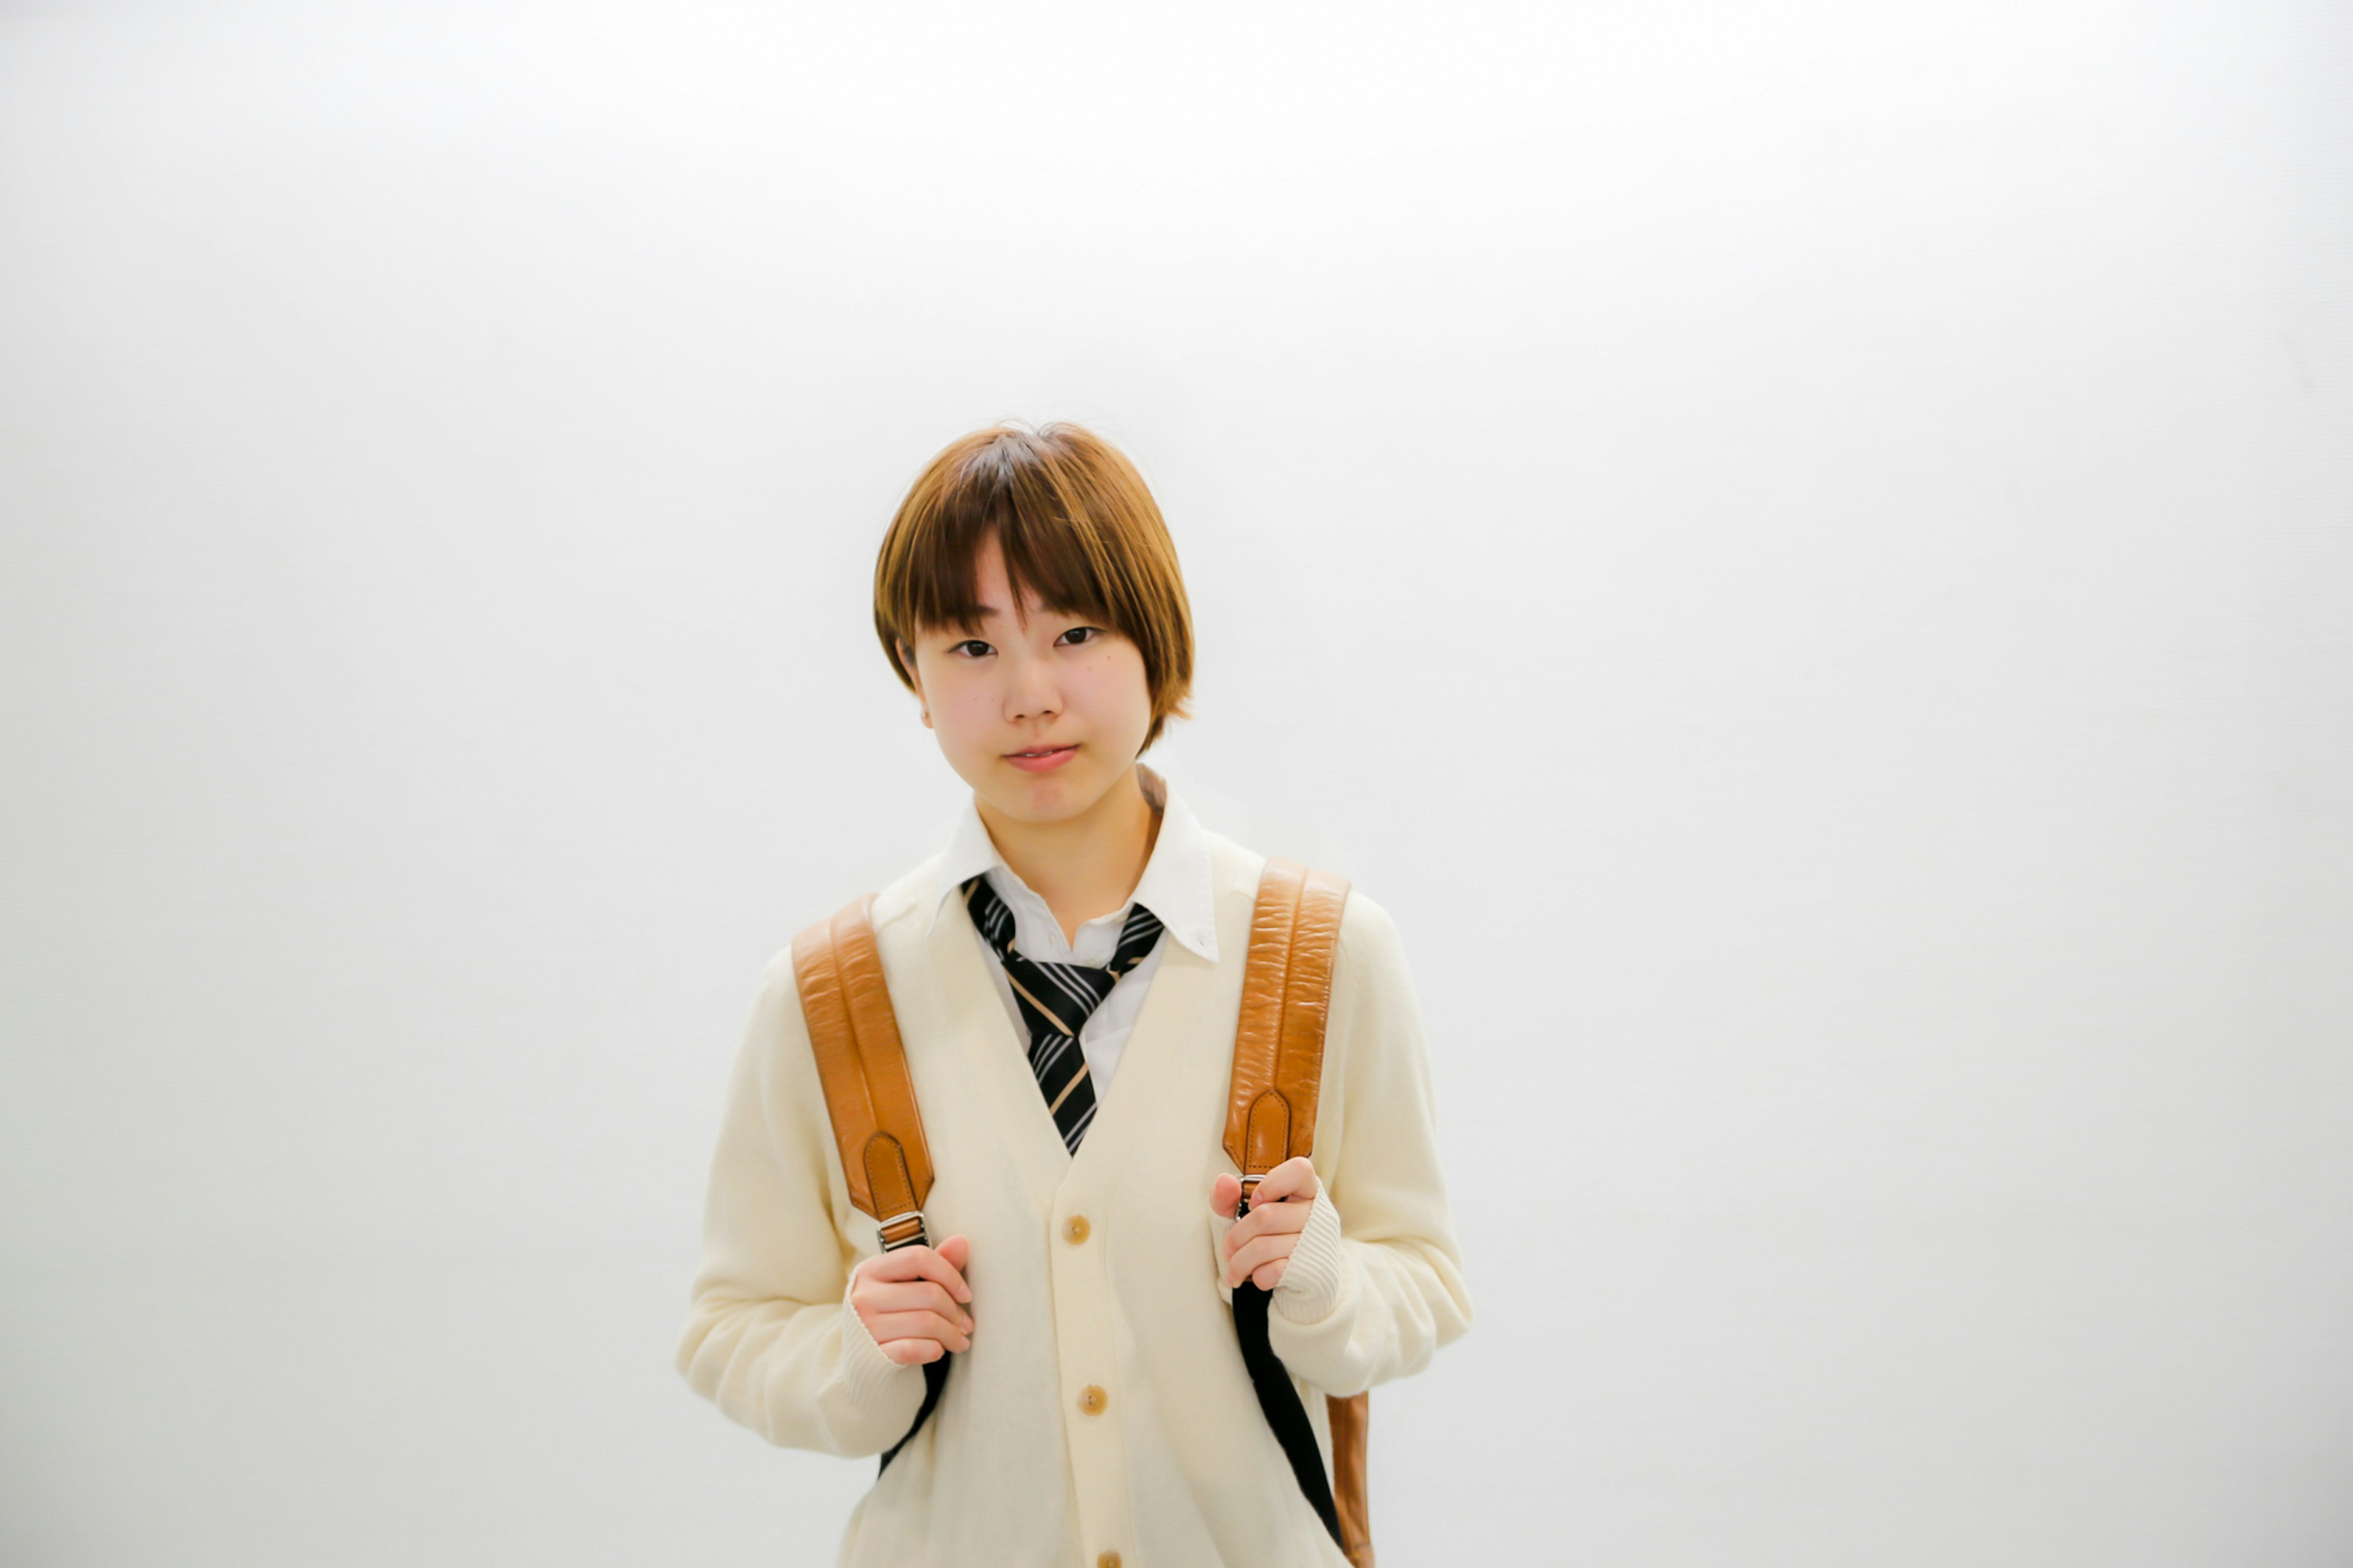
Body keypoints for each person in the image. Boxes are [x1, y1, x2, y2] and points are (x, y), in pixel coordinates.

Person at [674, 422, 1472, 1566]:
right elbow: (730, 1329)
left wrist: (1327, 1277)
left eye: (1076, 632)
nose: (1030, 695)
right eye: (971, 646)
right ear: (916, 675)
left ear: (1162, 646)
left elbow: (1427, 1283)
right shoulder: (830, 996)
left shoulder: (1325, 955)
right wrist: (856, 1357)